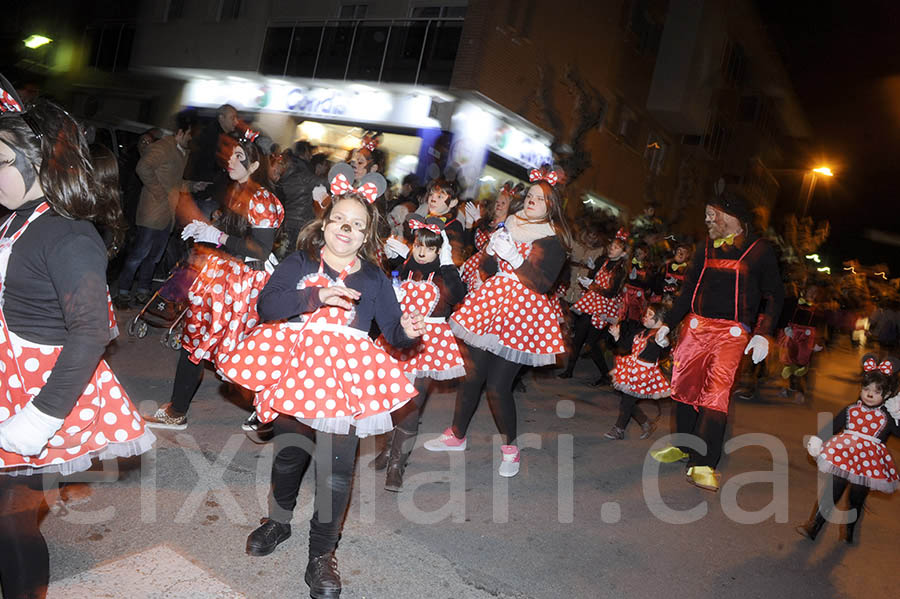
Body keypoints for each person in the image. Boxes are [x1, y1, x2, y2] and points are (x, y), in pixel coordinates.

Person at [220, 163, 424, 599]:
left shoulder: (373, 278)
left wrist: (410, 328)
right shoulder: (299, 262)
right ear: (325, 222)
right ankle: (278, 521)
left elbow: (393, 333)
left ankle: (321, 554)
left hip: (346, 383)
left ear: (367, 233)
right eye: (339, 220)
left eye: (357, 224)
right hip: (298, 374)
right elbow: (268, 307)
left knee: (336, 471)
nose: (346, 229)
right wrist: (316, 295)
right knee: (290, 454)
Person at [0, 75, 155, 599]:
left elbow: (91, 332)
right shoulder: (20, 218)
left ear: (39, 161)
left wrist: (37, 420)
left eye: (1, 162)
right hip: (8, 378)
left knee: (11, 525)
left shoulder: (67, 233)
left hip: (41, 393)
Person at [424, 167, 571, 477]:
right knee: (472, 375)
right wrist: (491, 253)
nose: (532, 201)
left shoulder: (552, 238)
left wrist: (517, 261)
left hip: (523, 312)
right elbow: (489, 269)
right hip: (492, 303)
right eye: (529, 195)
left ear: (551, 205)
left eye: (540, 198)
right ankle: (457, 435)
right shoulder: (511, 224)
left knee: (498, 386)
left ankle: (510, 449)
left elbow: (543, 284)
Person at [143, 127, 284, 429]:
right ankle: (177, 410)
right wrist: (205, 232)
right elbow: (231, 236)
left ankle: (270, 411)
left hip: (245, 284)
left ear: (255, 166)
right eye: (232, 154)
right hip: (222, 277)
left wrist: (216, 235)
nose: (231, 160)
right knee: (195, 340)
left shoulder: (262, 200)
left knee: (247, 352)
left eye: (239, 156)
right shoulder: (236, 190)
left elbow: (259, 249)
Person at [651, 191, 783, 492]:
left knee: (715, 395)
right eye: (708, 213)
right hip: (695, 328)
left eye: (714, 214)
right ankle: (683, 446)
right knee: (683, 389)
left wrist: (764, 332)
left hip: (731, 334)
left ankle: (704, 462)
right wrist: (667, 324)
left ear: (733, 217)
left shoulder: (760, 250)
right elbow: (687, 292)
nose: (708, 219)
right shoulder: (705, 246)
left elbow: (775, 294)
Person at [372, 214, 466, 490]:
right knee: (393, 399)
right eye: (418, 244)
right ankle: (388, 450)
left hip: (430, 342)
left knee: (413, 402)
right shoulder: (407, 267)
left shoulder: (445, 273)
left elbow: (459, 296)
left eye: (430, 247)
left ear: (440, 250)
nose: (422, 251)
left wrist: (448, 263)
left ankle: (397, 465)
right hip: (401, 337)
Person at [797, 355, 899, 544]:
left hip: (869, 465)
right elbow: (833, 426)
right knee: (832, 491)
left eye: (876, 391)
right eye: (866, 389)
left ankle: (849, 530)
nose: (869, 394)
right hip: (844, 457)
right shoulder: (851, 410)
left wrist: (897, 413)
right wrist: (819, 440)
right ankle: (814, 526)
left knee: (856, 498)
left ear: (885, 395)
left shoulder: (887, 418)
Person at [114, 110, 195, 307]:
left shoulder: (181, 153)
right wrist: (159, 193)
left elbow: (174, 182)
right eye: (190, 134)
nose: (192, 139)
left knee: (154, 257)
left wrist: (192, 185)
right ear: (181, 132)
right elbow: (143, 167)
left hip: (167, 215)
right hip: (152, 213)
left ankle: (142, 289)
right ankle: (123, 291)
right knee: (139, 254)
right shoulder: (164, 147)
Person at [558, 229, 629, 384]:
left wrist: (593, 285)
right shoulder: (603, 261)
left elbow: (611, 293)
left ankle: (606, 375)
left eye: (616, 247)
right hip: (591, 303)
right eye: (612, 245)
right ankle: (569, 370)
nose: (611, 248)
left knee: (591, 344)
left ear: (623, 253)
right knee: (578, 338)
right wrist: (590, 275)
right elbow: (592, 278)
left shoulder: (620, 270)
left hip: (604, 308)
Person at [603, 303, 670, 440]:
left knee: (627, 402)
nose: (645, 316)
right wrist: (617, 336)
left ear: (660, 318)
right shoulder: (640, 331)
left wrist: (664, 340)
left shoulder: (658, 336)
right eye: (646, 313)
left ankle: (619, 429)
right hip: (632, 370)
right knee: (627, 401)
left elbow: (664, 346)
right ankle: (646, 423)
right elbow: (625, 347)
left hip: (644, 375)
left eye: (650, 315)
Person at [459, 184, 518, 292]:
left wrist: (478, 221)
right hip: (469, 270)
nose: (499, 205)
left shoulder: (508, 228)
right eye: (497, 202)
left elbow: (491, 243)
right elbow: (471, 245)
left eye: (503, 203)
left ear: (510, 207)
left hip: (484, 275)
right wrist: (469, 224)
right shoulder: (488, 222)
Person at [184, 103, 238, 215]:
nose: (236, 122)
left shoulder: (218, 136)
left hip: (207, 194)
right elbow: (208, 165)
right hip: (207, 195)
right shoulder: (213, 137)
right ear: (221, 118)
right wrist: (209, 192)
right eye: (232, 118)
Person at [277, 140, 321, 259]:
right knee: (294, 255)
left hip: (289, 219)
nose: (311, 156)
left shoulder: (292, 170)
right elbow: (321, 182)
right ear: (304, 152)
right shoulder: (300, 172)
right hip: (300, 221)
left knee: (288, 253)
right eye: (310, 152)